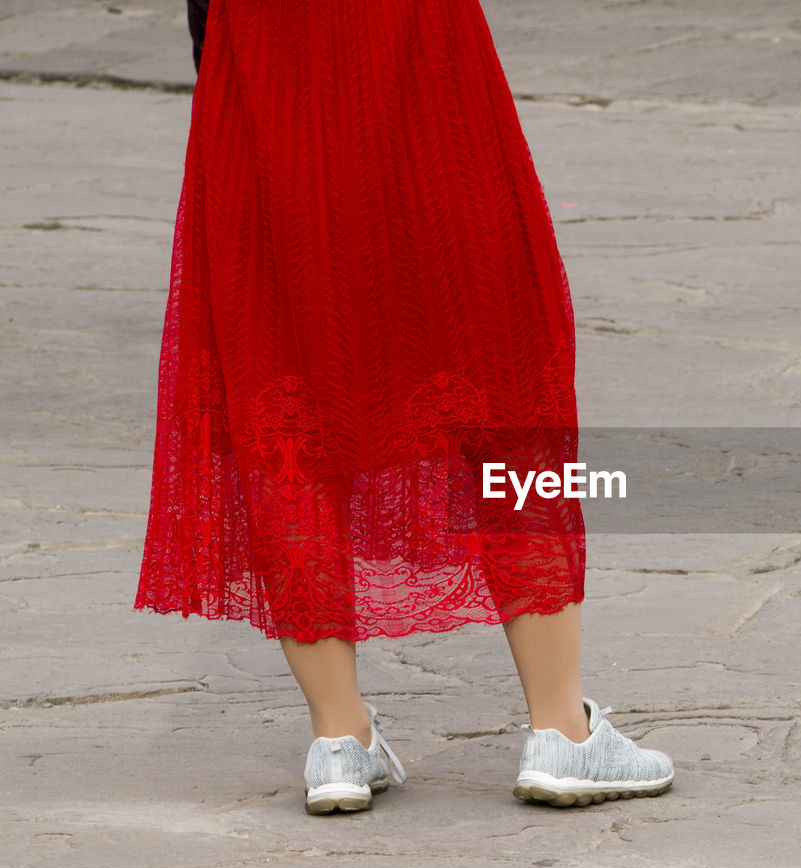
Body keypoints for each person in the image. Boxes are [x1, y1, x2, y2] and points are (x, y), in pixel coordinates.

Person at [136, 0, 674, 814]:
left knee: (281, 392)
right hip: (420, 53)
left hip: (262, 56)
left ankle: (339, 743)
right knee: (502, 370)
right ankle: (562, 731)